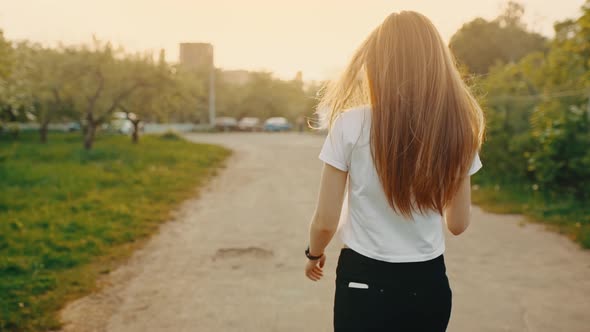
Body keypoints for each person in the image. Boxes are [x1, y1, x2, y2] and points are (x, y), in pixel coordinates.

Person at [303, 11, 485, 331]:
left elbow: (325, 221)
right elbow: (457, 223)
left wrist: (313, 254)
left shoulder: (351, 124)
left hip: (362, 282)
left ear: (376, 64)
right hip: (427, 285)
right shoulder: (458, 130)